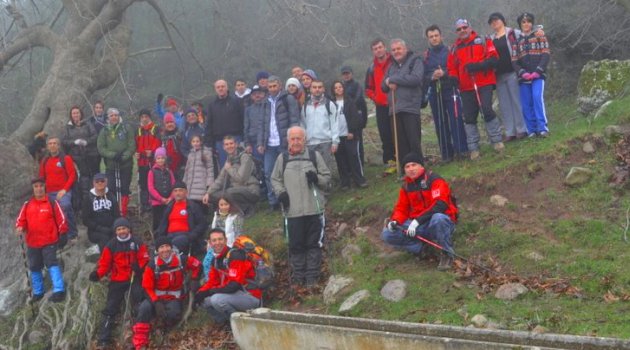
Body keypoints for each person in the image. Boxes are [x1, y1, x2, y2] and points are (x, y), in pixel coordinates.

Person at [271, 126, 331, 288]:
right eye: (293, 138)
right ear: (288, 140)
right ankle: (298, 278)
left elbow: (327, 177)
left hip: (314, 209)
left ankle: (312, 278)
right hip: (292, 212)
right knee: (295, 245)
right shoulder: (282, 159)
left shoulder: (314, 156)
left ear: (304, 140)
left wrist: (316, 179)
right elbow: (275, 179)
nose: (296, 142)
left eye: (299, 138)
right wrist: (281, 193)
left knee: (313, 244)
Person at [381, 153, 458, 271]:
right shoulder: (406, 187)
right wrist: (395, 221)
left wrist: (417, 221)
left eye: (414, 165)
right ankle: (421, 248)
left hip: (438, 223)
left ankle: (447, 253)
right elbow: (401, 209)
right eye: (407, 166)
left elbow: (441, 204)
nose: (411, 169)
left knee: (439, 218)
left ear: (421, 166)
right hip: (418, 225)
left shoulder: (434, 180)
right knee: (387, 234)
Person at [447, 18, 504, 160]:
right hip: (465, 86)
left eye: (464, 27)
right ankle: (473, 148)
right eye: (459, 29)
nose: (462, 31)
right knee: (469, 116)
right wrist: (453, 77)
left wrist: (478, 66)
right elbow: (451, 67)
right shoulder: (454, 48)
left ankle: (496, 140)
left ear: (470, 27)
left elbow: (494, 58)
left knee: (486, 108)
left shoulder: (483, 40)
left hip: (484, 82)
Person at [89, 217, 149, 347]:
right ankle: (103, 339)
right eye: (119, 229)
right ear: (116, 231)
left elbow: (144, 257)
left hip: (134, 277)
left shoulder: (137, 242)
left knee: (138, 299)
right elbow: (105, 264)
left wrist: (138, 267)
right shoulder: (111, 245)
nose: (122, 231)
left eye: (124, 228)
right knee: (111, 307)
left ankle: (137, 335)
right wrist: (98, 274)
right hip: (117, 279)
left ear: (128, 229)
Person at [132, 236, 201, 350]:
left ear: (171, 247)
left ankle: (164, 330)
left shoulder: (181, 260)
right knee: (144, 309)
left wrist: (195, 279)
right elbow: (147, 287)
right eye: (161, 247)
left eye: (167, 246)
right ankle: (140, 342)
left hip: (174, 297)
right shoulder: (152, 265)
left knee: (173, 314)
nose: (165, 250)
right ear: (157, 250)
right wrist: (156, 302)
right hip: (156, 296)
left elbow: (197, 265)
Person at [15, 178, 68, 303]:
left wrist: (63, 233)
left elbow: (62, 219)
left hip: (49, 241)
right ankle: (38, 292)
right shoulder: (27, 204)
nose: (39, 188)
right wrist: (20, 226)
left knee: (51, 264)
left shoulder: (52, 202)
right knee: (34, 266)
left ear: (45, 187)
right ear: (33, 189)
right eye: (36, 186)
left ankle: (59, 290)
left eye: (41, 186)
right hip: (33, 242)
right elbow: (20, 219)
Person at [194, 228, 261, 325]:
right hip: (235, 296)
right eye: (214, 240)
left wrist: (210, 292)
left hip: (250, 296)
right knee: (204, 300)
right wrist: (199, 293)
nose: (218, 243)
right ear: (210, 243)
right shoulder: (215, 260)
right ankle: (225, 324)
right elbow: (212, 282)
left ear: (225, 240)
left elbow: (234, 285)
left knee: (216, 299)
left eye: (220, 239)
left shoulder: (235, 256)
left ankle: (240, 325)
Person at [423, 25, 468, 162]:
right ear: (428, 39)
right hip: (434, 91)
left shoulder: (450, 50)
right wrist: (432, 76)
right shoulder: (425, 56)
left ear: (441, 36)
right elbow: (423, 75)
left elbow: (458, 67)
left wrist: (444, 73)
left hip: (451, 88)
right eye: (431, 37)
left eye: (436, 35)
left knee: (456, 118)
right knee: (440, 122)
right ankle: (446, 154)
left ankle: (462, 150)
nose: (434, 38)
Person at [381, 38, 425, 172]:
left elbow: (416, 79)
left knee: (413, 141)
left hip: (410, 107)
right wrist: (388, 82)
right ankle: (405, 171)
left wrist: (393, 79)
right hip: (394, 108)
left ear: (405, 49)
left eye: (398, 49)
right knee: (400, 144)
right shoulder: (391, 66)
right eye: (393, 50)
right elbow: (383, 86)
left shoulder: (415, 61)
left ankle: (419, 169)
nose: (396, 52)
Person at [260, 76, 300, 209]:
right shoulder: (265, 101)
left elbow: (294, 119)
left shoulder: (288, 99)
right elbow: (262, 123)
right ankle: (274, 201)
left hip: (283, 141)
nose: (272, 89)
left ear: (280, 86)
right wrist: (261, 142)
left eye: (274, 86)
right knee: (268, 172)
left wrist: (293, 140)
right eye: (270, 87)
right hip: (269, 144)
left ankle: (289, 198)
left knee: (287, 171)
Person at [488, 12, 528, 142]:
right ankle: (510, 132)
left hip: (512, 72)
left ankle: (521, 129)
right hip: (498, 75)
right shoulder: (490, 38)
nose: (494, 23)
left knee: (516, 101)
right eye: (492, 21)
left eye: (496, 20)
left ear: (503, 20)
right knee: (504, 105)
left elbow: (526, 40)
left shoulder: (513, 33)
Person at [512, 12, 551, 138]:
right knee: (526, 103)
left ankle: (542, 128)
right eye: (523, 22)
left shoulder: (540, 37)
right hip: (524, 78)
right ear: (520, 24)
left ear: (532, 23)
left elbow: (546, 54)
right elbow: (514, 61)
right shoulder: (516, 42)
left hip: (538, 75)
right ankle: (531, 130)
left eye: (528, 21)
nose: (526, 24)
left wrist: (538, 71)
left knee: (536, 98)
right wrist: (522, 73)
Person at [204, 135, 260, 217]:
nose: (229, 146)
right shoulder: (229, 159)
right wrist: (208, 193)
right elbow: (220, 180)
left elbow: (241, 179)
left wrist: (230, 169)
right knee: (212, 196)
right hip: (235, 190)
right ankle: (230, 212)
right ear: (223, 147)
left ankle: (248, 208)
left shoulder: (245, 157)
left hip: (250, 190)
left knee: (229, 192)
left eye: (231, 143)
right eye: (226, 144)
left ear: (236, 144)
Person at [365, 38, 396, 175]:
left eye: (380, 47)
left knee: (398, 133)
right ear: (373, 51)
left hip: (396, 103)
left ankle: (403, 161)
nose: (378, 50)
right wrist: (376, 98)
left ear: (385, 47)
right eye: (375, 48)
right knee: (385, 135)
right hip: (381, 106)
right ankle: (390, 162)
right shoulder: (371, 68)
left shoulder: (394, 62)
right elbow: (368, 88)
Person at [97, 107, 135, 217]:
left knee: (124, 188)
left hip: (125, 165)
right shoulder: (104, 131)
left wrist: (124, 157)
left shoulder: (126, 128)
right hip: (111, 165)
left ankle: (123, 212)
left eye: (116, 115)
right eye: (111, 115)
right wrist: (113, 155)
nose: (114, 117)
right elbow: (101, 147)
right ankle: (113, 212)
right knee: (111, 188)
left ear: (119, 116)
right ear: (108, 118)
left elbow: (132, 145)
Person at [39, 136, 78, 240]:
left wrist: (64, 190)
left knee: (65, 206)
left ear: (58, 146)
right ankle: (56, 233)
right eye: (50, 143)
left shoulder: (66, 158)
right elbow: (41, 177)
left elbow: (72, 175)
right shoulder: (45, 161)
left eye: (54, 143)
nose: (52, 145)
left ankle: (71, 233)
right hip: (49, 192)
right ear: (47, 146)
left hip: (63, 191)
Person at [331, 80, 368, 189]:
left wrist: (352, 131)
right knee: (340, 160)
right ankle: (345, 182)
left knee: (353, 157)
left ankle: (359, 179)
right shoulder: (331, 103)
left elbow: (354, 118)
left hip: (349, 135)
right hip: (337, 136)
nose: (338, 89)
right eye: (336, 87)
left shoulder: (349, 102)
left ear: (343, 88)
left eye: (340, 87)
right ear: (333, 90)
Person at [155, 180, 207, 256]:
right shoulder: (169, 207)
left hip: (185, 235)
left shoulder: (193, 206)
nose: (178, 193)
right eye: (175, 191)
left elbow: (202, 224)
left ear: (186, 192)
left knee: (174, 244)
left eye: (180, 190)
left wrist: (192, 235)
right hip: (169, 235)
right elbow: (163, 224)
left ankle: (171, 256)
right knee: (161, 244)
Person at [62, 106, 99, 209]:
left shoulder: (88, 124)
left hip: (89, 156)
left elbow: (95, 136)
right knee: (78, 181)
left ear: (81, 114)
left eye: (77, 113)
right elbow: (64, 141)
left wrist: (87, 142)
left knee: (89, 179)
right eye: (73, 113)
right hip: (75, 158)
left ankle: (91, 203)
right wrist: (74, 142)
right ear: (71, 115)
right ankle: (79, 205)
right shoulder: (68, 128)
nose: (76, 115)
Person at [302, 80, 339, 178]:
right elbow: (303, 124)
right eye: (314, 87)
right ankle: (316, 191)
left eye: (319, 87)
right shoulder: (305, 105)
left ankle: (326, 190)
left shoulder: (329, 104)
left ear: (323, 89)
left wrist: (335, 142)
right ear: (310, 89)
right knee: (312, 168)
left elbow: (334, 123)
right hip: (310, 143)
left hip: (325, 141)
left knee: (326, 168)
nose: (317, 89)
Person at [204, 79, 245, 168]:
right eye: (218, 87)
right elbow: (209, 125)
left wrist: (244, 138)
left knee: (239, 165)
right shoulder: (212, 105)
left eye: (222, 86)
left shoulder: (236, 101)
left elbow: (244, 120)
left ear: (227, 88)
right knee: (225, 167)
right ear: (215, 89)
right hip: (220, 141)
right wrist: (209, 143)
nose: (220, 89)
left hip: (236, 138)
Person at [83, 173, 120, 251]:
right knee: (105, 239)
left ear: (106, 182)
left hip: (111, 228)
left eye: (102, 181)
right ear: (93, 183)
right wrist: (99, 228)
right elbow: (85, 220)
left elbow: (117, 215)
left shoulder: (112, 196)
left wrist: (113, 227)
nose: (100, 183)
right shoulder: (88, 198)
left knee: (120, 236)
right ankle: (105, 260)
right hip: (95, 231)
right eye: (97, 181)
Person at [340, 66, 368, 165]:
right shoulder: (341, 86)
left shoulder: (357, 85)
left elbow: (360, 100)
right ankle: (350, 165)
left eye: (348, 73)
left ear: (351, 74)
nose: (346, 75)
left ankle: (360, 164)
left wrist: (363, 121)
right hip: (344, 119)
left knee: (358, 142)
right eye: (344, 74)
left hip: (356, 118)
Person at [135, 109, 161, 213]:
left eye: (146, 116)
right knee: (143, 184)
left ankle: (154, 204)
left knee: (154, 184)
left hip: (153, 162)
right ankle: (145, 205)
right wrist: (136, 153)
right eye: (142, 117)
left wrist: (153, 152)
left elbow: (159, 143)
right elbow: (135, 144)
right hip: (142, 163)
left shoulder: (155, 129)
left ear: (149, 117)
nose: (144, 119)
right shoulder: (138, 130)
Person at [182, 135, 214, 213]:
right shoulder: (190, 155)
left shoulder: (206, 153)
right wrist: (184, 184)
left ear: (201, 142)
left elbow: (210, 169)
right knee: (191, 212)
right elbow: (187, 170)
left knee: (201, 211)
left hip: (201, 187)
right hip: (190, 188)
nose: (195, 143)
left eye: (197, 141)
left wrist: (209, 185)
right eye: (193, 141)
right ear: (191, 143)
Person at [147, 147, 175, 231]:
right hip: (157, 202)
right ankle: (156, 239)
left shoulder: (169, 171)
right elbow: (150, 188)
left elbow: (174, 185)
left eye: (162, 158)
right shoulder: (152, 171)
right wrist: (160, 198)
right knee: (157, 222)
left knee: (168, 220)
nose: (160, 160)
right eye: (158, 158)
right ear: (155, 159)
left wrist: (171, 197)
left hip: (169, 201)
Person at [160, 112, 184, 178]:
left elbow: (184, 150)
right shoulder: (162, 138)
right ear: (164, 125)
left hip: (180, 167)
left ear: (175, 123)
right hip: (167, 168)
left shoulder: (180, 135)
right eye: (167, 123)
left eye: (171, 122)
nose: (169, 124)